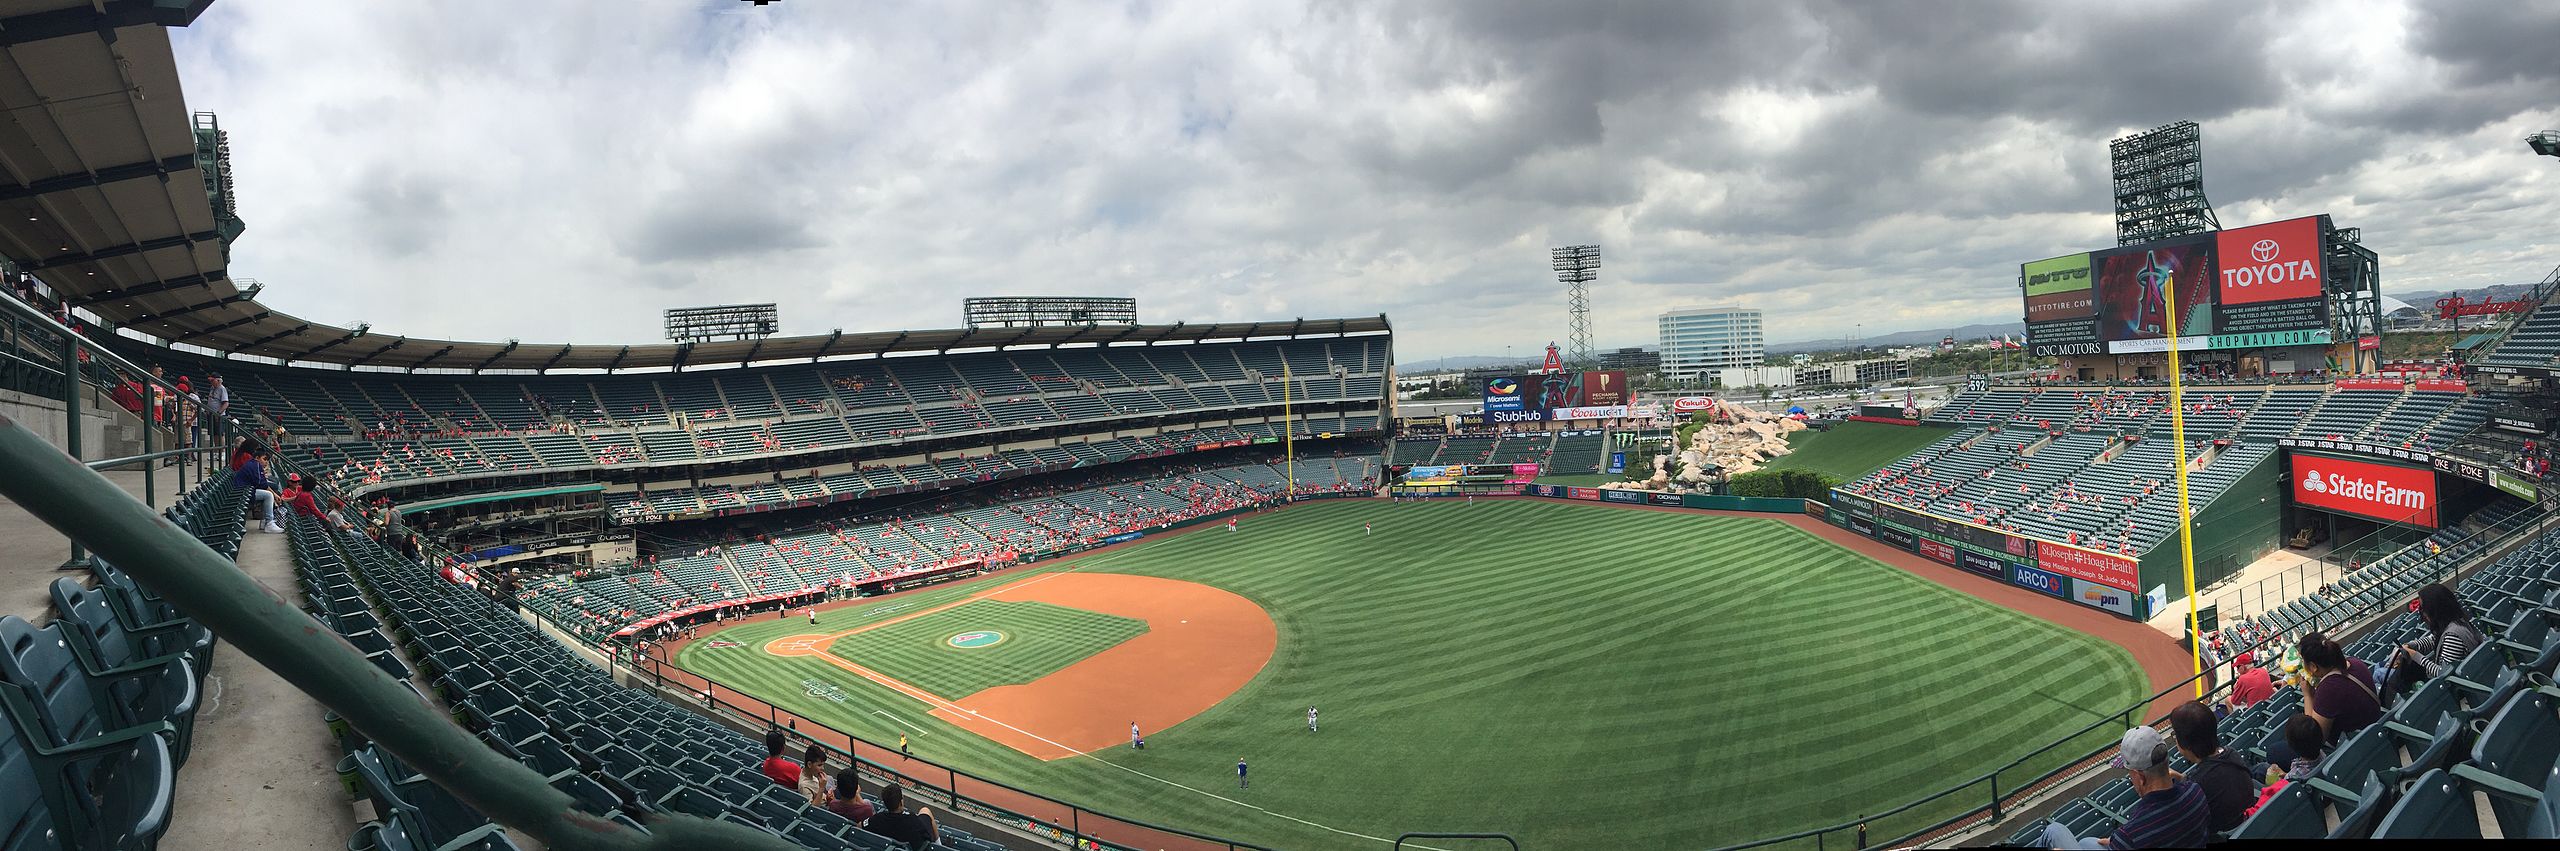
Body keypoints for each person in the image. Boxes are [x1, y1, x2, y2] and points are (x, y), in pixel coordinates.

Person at [2041, 726, 2208, 849]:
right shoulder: (2196, 793)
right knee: (2087, 843)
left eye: (2130, 773)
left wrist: (2121, 842)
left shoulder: (2133, 834)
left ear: (2140, 777)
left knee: (2054, 830)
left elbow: (2139, 836)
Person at [2267, 633, 2381, 767]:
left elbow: (2313, 740)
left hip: (2350, 748)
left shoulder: (2329, 688)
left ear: (2314, 667)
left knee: (2273, 752)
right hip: (2371, 732)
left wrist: (2308, 695)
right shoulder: (2355, 663)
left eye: (2303, 662)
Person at [2167, 701, 2258, 832]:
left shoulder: (2196, 786)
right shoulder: (2231, 754)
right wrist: (2181, 778)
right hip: (2252, 825)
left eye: (2175, 735)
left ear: (2185, 743)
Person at [2388, 583, 2484, 699]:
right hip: (2459, 680)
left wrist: (2415, 656)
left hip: (2453, 691)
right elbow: (2434, 640)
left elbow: (2443, 673)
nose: (2422, 612)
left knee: (2382, 674)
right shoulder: (2456, 622)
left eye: (2423, 608)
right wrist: (2411, 645)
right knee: (2383, 669)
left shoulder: (2453, 636)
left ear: (2435, 610)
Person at [2250, 714, 2328, 816]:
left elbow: (2283, 786)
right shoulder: (2323, 755)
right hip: (2312, 787)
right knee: (2263, 767)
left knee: (2257, 773)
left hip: (2288, 801)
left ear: (2291, 747)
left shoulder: (2292, 777)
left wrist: (2283, 775)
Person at [864, 785, 938, 850]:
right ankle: (940, 846)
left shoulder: (878, 818)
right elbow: (926, 837)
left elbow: (859, 825)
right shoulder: (912, 819)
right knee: (925, 810)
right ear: (901, 802)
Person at [233, 448, 283, 534]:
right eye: (264, 459)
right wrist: (274, 495)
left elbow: (261, 483)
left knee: (268, 494)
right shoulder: (255, 465)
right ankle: (269, 523)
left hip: (245, 490)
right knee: (268, 495)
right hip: (243, 492)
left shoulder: (253, 463)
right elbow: (262, 484)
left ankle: (264, 522)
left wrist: (274, 493)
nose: (266, 462)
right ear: (257, 458)